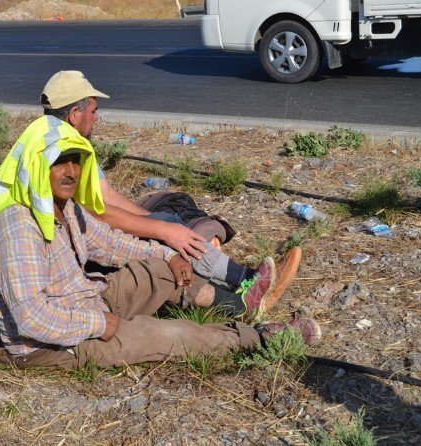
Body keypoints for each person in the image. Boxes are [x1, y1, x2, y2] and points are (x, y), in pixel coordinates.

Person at [0, 119, 320, 368]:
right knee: (161, 335)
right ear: (34, 166)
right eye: (57, 162)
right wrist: (100, 325)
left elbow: (109, 243)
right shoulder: (16, 227)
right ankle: (260, 339)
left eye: (75, 161)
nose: (70, 172)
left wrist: (168, 256)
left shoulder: (63, 208)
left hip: (87, 300)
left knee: (158, 270)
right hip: (52, 344)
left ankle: (241, 305)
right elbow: (32, 317)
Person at [36, 70, 301, 312]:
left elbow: (106, 196)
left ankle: (245, 282)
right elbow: (96, 215)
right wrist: (161, 231)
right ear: (74, 114)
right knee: (163, 240)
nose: (97, 117)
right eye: (93, 110)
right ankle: (244, 290)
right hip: (71, 250)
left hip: (86, 232)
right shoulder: (63, 150)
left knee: (171, 214)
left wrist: (156, 220)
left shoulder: (55, 137)